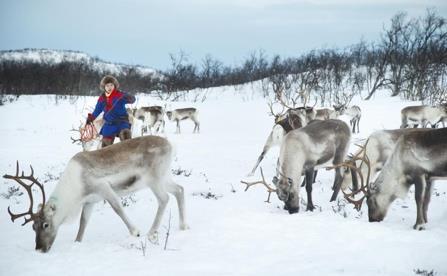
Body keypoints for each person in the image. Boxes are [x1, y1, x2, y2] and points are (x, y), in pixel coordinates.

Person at [86, 75, 136, 148]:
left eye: (111, 85)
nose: (109, 87)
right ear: (104, 87)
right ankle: (106, 157)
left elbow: (132, 100)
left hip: (122, 122)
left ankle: (128, 154)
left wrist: (129, 97)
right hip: (109, 124)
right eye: (107, 86)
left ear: (114, 86)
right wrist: (91, 118)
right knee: (105, 146)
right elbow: (97, 110)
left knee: (126, 139)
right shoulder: (102, 99)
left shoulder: (120, 95)